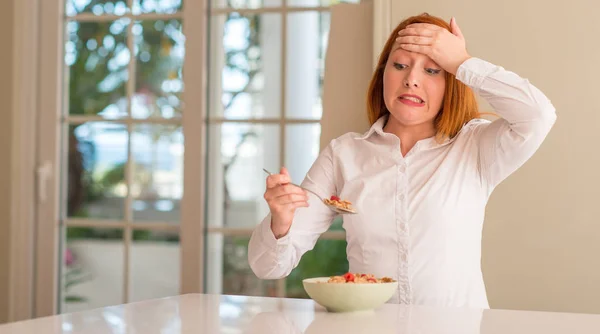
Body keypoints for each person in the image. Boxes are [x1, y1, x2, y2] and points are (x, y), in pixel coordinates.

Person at [247, 13, 557, 309]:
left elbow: (538, 115)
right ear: (383, 73)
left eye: (433, 70)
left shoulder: (475, 147)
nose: (411, 80)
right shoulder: (343, 155)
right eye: (400, 65)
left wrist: (463, 63)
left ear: (452, 82)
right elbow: (267, 267)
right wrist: (281, 221)